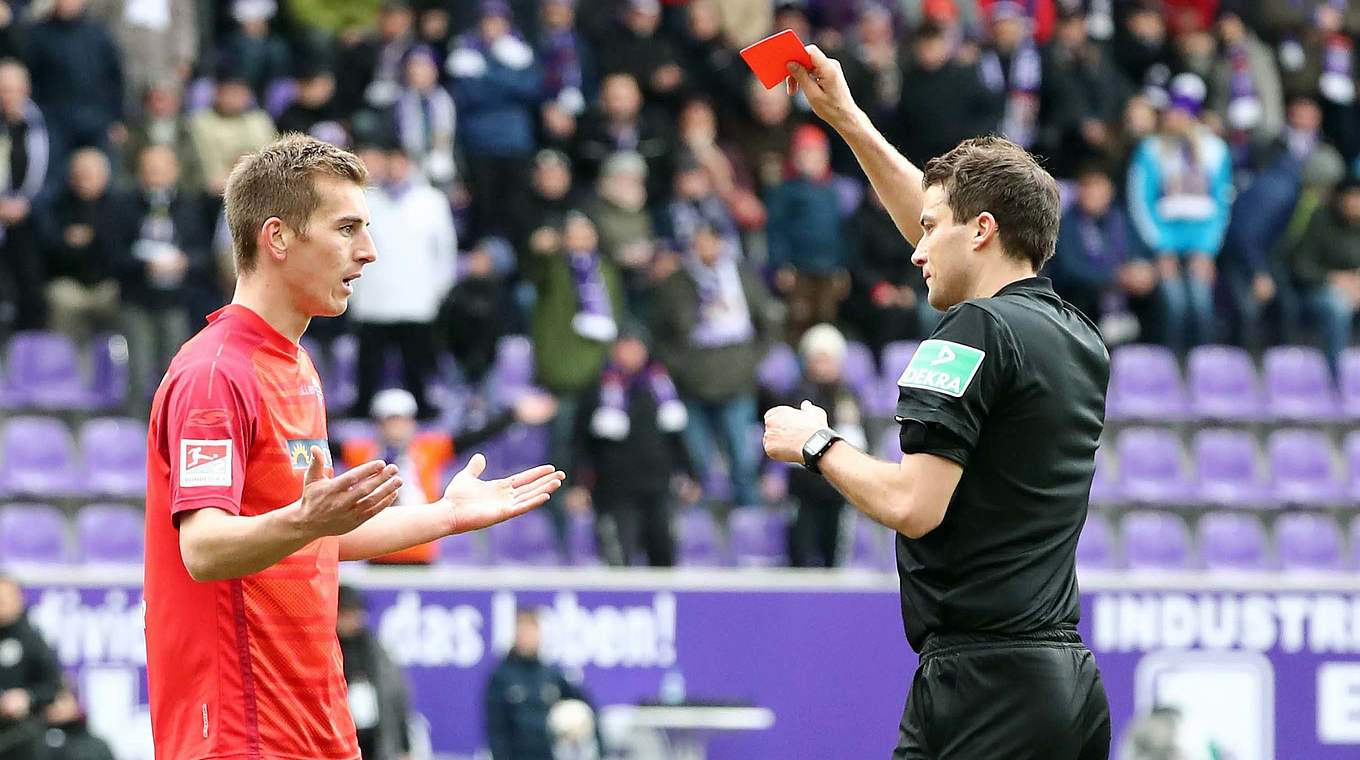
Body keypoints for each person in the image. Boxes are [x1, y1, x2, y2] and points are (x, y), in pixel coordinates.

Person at [142, 135, 565, 760]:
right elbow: (203, 548)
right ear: (277, 238)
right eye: (346, 229)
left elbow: (312, 539)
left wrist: (444, 517)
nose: (368, 252)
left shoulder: (297, 367)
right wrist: (306, 517)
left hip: (316, 724)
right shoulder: (214, 375)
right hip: (242, 732)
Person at [762, 46, 1110, 759]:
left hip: (986, 689)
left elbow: (913, 505)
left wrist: (815, 444)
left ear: (982, 229)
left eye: (930, 231)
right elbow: (939, 230)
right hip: (1063, 684)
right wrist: (850, 121)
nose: (916, 251)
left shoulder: (975, 330)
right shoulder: (1076, 336)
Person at [340, 386, 558, 564]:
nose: (397, 426)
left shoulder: (429, 448)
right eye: (390, 420)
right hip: (374, 550)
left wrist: (512, 416)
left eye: (402, 419)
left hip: (420, 549)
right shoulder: (361, 451)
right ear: (378, 423)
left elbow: (471, 437)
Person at [347, 144, 457, 421]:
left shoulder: (432, 201)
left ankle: (422, 405)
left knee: (417, 360)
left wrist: (438, 289)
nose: (395, 169)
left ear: (411, 165)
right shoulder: (364, 200)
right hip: (374, 296)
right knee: (369, 361)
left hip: (416, 297)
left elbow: (445, 250)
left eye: (401, 163)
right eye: (390, 162)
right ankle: (363, 405)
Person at [570, 327, 696, 567]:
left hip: (657, 485)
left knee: (664, 555)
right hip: (615, 489)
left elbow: (676, 436)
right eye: (625, 345)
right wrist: (577, 484)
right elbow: (579, 443)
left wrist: (690, 474)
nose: (630, 353)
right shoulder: (597, 389)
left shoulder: (661, 387)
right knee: (619, 558)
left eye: (635, 346)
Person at [782, 323, 867, 568]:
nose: (821, 366)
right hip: (803, 486)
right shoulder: (796, 395)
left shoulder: (848, 396)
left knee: (834, 556)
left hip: (837, 487)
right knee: (800, 552)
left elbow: (859, 440)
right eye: (816, 359)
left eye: (826, 359)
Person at [485, 609, 600, 760]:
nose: (528, 637)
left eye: (532, 631)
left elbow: (586, 705)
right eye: (523, 631)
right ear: (516, 635)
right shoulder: (501, 677)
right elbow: (496, 727)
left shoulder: (552, 674)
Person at [336, 586, 412, 760]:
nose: (354, 619)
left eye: (357, 612)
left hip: (375, 738)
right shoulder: (327, 649)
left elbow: (397, 695)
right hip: (340, 735)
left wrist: (404, 745)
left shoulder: (374, 648)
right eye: (348, 612)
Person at [0, 575, 62, 760]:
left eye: (5, 597)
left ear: (19, 600)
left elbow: (53, 687)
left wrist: (28, 697)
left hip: (21, 736)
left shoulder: (33, 641)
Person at [37, 686, 115, 760]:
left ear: (76, 702)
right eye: (51, 701)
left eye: (63, 699)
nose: (57, 705)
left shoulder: (96, 746)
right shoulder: (36, 742)